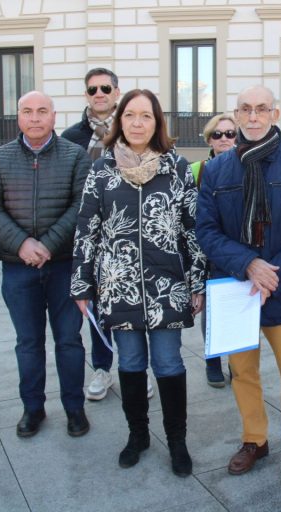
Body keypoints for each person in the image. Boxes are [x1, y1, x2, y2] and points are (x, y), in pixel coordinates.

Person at [71, 89, 206, 477]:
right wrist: (81, 285)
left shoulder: (177, 167)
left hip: (168, 287)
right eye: (130, 115)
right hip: (119, 287)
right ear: (120, 120)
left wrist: (197, 282)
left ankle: (177, 441)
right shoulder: (101, 169)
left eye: (145, 116)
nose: (137, 122)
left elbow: (192, 230)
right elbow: (87, 230)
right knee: (130, 362)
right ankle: (138, 435)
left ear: (157, 122)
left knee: (168, 362)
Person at [196, 85, 281, 487]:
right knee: (243, 373)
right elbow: (206, 231)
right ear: (236, 114)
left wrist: (272, 273)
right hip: (236, 287)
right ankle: (255, 439)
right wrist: (248, 264)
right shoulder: (217, 171)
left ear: (275, 112)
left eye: (261, 109)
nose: (253, 116)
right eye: (246, 109)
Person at [0, 91, 92, 439]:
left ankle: (75, 409)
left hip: (63, 267)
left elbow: (82, 205)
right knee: (27, 342)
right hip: (18, 268)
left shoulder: (75, 156)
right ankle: (33, 409)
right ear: (18, 117)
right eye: (27, 111)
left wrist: (47, 244)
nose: (35, 117)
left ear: (54, 117)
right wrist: (22, 244)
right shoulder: (0, 159)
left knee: (69, 341)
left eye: (42, 111)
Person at [61, 68, 153, 401]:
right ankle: (102, 368)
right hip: (94, 236)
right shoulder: (71, 137)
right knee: (97, 308)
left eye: (104, 88)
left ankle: (137, 370)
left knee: (136, 305)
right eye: (92, 90)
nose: (98, 94)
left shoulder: (132, 126)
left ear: (117, 91)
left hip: (134, 235)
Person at [190, 112, 238, 388]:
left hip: (237, 250)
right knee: (211, 310)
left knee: (236, 307)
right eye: (218, 134)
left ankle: (236, 361)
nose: (224, 139)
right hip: (206, 249)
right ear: (209, 139)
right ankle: (213, 361)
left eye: (230, 133)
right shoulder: (197, 170)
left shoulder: (245, 166)